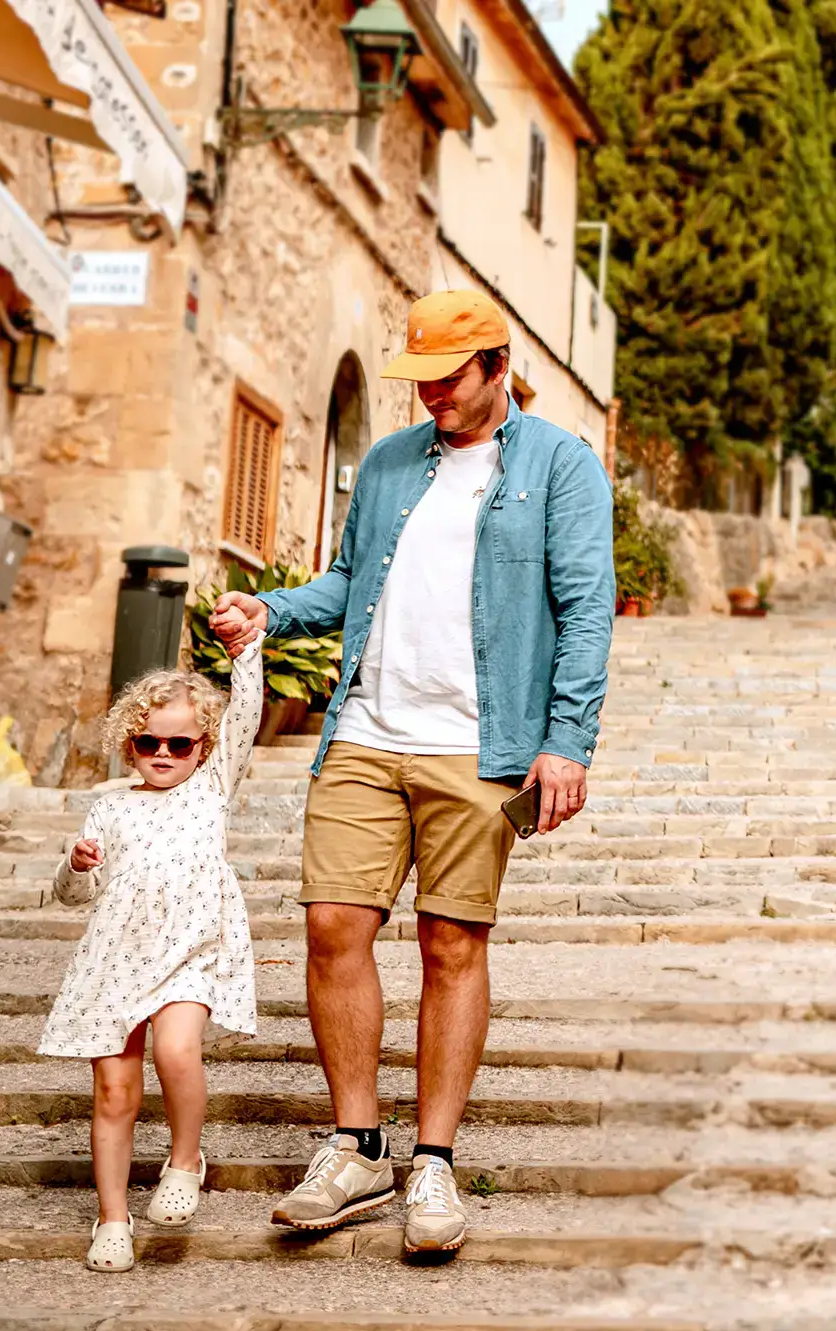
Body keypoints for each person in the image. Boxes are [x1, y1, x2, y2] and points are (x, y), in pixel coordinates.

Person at [207, 287, 614, 1258]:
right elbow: (353, 581)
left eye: (447, 376)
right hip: (366, 730)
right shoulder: (391, 463)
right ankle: (356, 1148)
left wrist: (569, 739)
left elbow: (586, 606)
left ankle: (433, 1159)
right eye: (419, 376)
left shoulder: (562, 467)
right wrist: (273, 611)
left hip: (485, 742)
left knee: (450, 944)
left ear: (495, 368)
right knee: (332, 924)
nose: (429, 392)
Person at [40, 662, 263, 1272]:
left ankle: (185, 1161)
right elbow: (72, 896)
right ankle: (112, 1218)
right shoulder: (110, 810)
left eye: (179, 743)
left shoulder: (213, 786)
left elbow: (246, 709)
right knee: (114, 1092)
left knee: (177, 1051)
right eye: (149, 742)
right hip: (114, 960)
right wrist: (78, 866)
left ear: (206, 748)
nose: (163, 753)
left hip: (191, 951)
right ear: (130, 743)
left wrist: (249, 646)